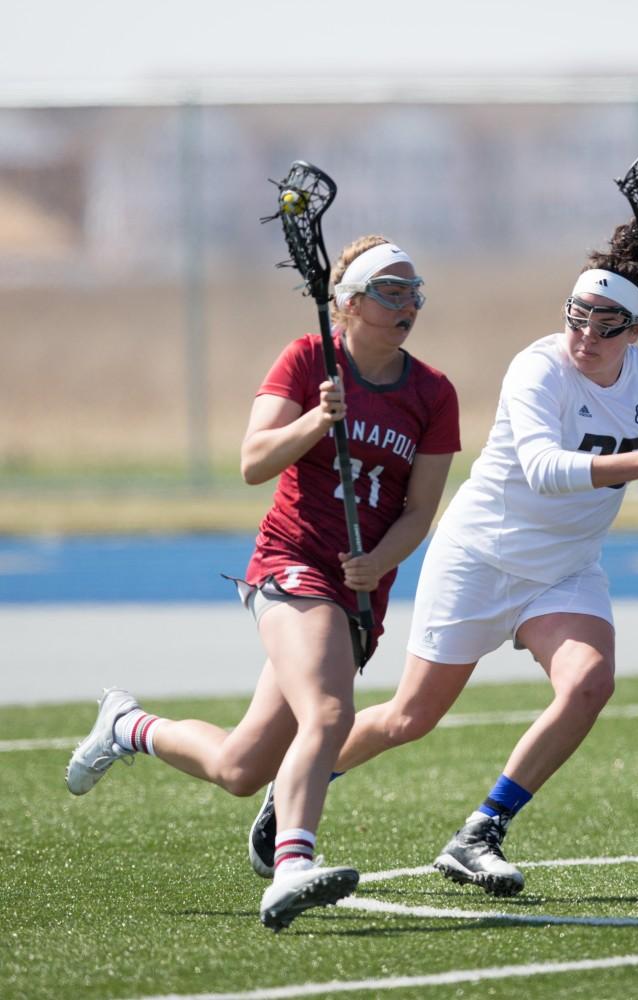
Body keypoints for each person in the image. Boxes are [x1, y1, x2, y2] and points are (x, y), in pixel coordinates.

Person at [247, 219, 638, 896]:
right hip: (480, 555)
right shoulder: (539, 367)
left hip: (564, 569)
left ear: (636, 330)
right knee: (410, 718)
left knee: (590, 683)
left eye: (607, 325)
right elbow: (542, 468)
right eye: (577, 319)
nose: (586, 338)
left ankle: (481, 831)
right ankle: (301, 780)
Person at [64, 235, 461, 930]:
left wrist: (379, 561)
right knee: (330, 715)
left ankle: (128, 726)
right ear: (348, 302)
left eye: (413, 289)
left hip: (359, 590)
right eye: (391, 291)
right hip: (292, 563)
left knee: (241, 768)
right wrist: (317, 417)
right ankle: (292, 867)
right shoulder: (309, 360)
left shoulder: (433, 392)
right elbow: (253, 462)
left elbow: (421, 509)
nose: (409, 302)